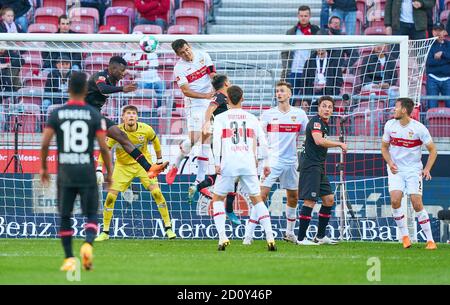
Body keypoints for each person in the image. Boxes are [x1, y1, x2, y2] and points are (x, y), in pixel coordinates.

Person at [40, 71, 113, 272]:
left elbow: (45, 143)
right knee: (91, 214)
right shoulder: (94, 114)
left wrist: (44, 167)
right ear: (85, 90)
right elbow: (104, 147)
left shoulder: (57, 113)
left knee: (65, 216)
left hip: (66, 172)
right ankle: (88, 244)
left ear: (69, 89)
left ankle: (69, 259)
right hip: (87, 171)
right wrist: (109, 174)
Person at [95, 105, 176, 241]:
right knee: (110, 198)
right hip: (122, 167)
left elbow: (155, 141)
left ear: (137, 117)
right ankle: (105, 232)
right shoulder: (116, 131)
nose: (131, 116)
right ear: (123, 117)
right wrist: (99, 168)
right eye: (128, 113)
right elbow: (105, 149)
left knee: (157, 193)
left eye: (133, 113)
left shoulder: (146, 129)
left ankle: (168, 228)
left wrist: (159, 160)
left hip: (142, 165)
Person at [243, 82, 308, 244]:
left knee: (293, 197)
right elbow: (257, 135)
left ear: (289, 94)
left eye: (282, 91)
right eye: (277, 91)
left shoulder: (299, 114)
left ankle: (289, 233)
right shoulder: (268, 114)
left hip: (291, 161)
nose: (279, 93)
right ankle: (248, 236)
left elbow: (308, 134)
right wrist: (256, 155)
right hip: (272, 161)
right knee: (261, 196)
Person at [212, 85, 276, 251]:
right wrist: (266, 162)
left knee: (217, 199)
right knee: (257, 199)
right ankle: (270, 237)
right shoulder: (252, 117)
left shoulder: (220, 118)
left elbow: (217, 141)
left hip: (229, 163)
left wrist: (216, 162)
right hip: (248, 163)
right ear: (242, 99)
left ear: (227, 99)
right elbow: (263, 141)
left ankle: (222, 237)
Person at [86, 55, 169, 180]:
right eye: (121, 70)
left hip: (94, 114)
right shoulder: (101, 75)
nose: (123, 73)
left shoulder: (113, 80)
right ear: (112, 67)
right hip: (84, 113)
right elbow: (103, 89)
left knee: (121, 136)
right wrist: (122, 89)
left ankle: (149, 168)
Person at [381, 97, 438, 250]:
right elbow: (384, 148)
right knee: (395, 201)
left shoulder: (419, 128)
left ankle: (430, 241)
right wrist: (390, 162)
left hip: (413, 170)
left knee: (416, 203)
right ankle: (405, 237)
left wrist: (427, 169)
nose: (394, 109)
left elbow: (433, 151)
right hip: (396, 169)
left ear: (404, 110)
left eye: (396, 107)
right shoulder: (389, 125)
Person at [188, 74, 240, 225]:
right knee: (231, 174)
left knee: (229, 173)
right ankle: (229, 209)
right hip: (222, 141)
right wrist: (206, 122)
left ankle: (198, 187)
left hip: (228, 139)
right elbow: (210, 108)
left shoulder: (226, 99)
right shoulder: (220, 96)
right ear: (226, 83)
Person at [297, 96, 347, 245]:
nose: (327, 109)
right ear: (319, 108)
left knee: (328, 199)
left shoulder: (325, 124)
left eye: (330, 107)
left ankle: (320, 236)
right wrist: (339, 144)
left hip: (319, 166)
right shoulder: (316, 122)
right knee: (310, 201)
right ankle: (301, 239)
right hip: (310, 166)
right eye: (324, 106)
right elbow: (319, 140)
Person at [166, 39, 216, 188]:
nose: (186, 54)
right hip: (195, 104)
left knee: (208, 137)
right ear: (178, 55)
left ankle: (200, 180)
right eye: (182, 53)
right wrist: (205, 96)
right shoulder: (179, 68)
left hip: (210, 102)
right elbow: (186, 91)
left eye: (187, 50)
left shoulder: (203, 55)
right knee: (194, 139)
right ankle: (175, 163)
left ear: (190, 47)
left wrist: (217, 86)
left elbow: (212, 73)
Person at [281, 5, 321, 98]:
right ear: (298, 16)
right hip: (294, 71)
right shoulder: (291, 32)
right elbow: (284, 52)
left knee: (308, 99)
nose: (303, 18)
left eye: (305, 16)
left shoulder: (316, 30)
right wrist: (286, 66)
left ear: (309, 16)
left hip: (309, 71)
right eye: (301, 16)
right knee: (290, 98)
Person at [426, 23, 450, 109]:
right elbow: (429, 62)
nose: (438, 32)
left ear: (444, 32)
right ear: (432, 32)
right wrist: (446, 62)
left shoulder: (448, 44)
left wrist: (442, 54)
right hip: (433, 78)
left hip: (448, 78)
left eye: (440, 30)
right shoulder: (428, 45)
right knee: (432, 106)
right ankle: (430, 123)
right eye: (435, 30)